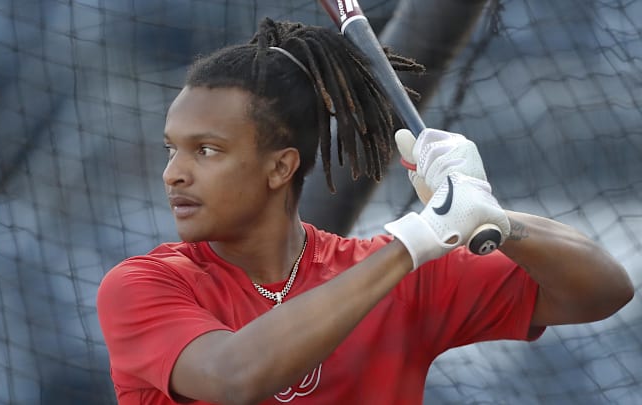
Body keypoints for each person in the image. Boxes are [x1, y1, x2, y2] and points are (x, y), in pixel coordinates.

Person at [96, 18, 633, 405]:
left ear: (280, 167)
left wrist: (490, 215)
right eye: (173, 148)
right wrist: (419, 239)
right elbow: (234, 378)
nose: (173, 173)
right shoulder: (145, 286)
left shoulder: (392, 275)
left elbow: (604, 289)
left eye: (205, 150)